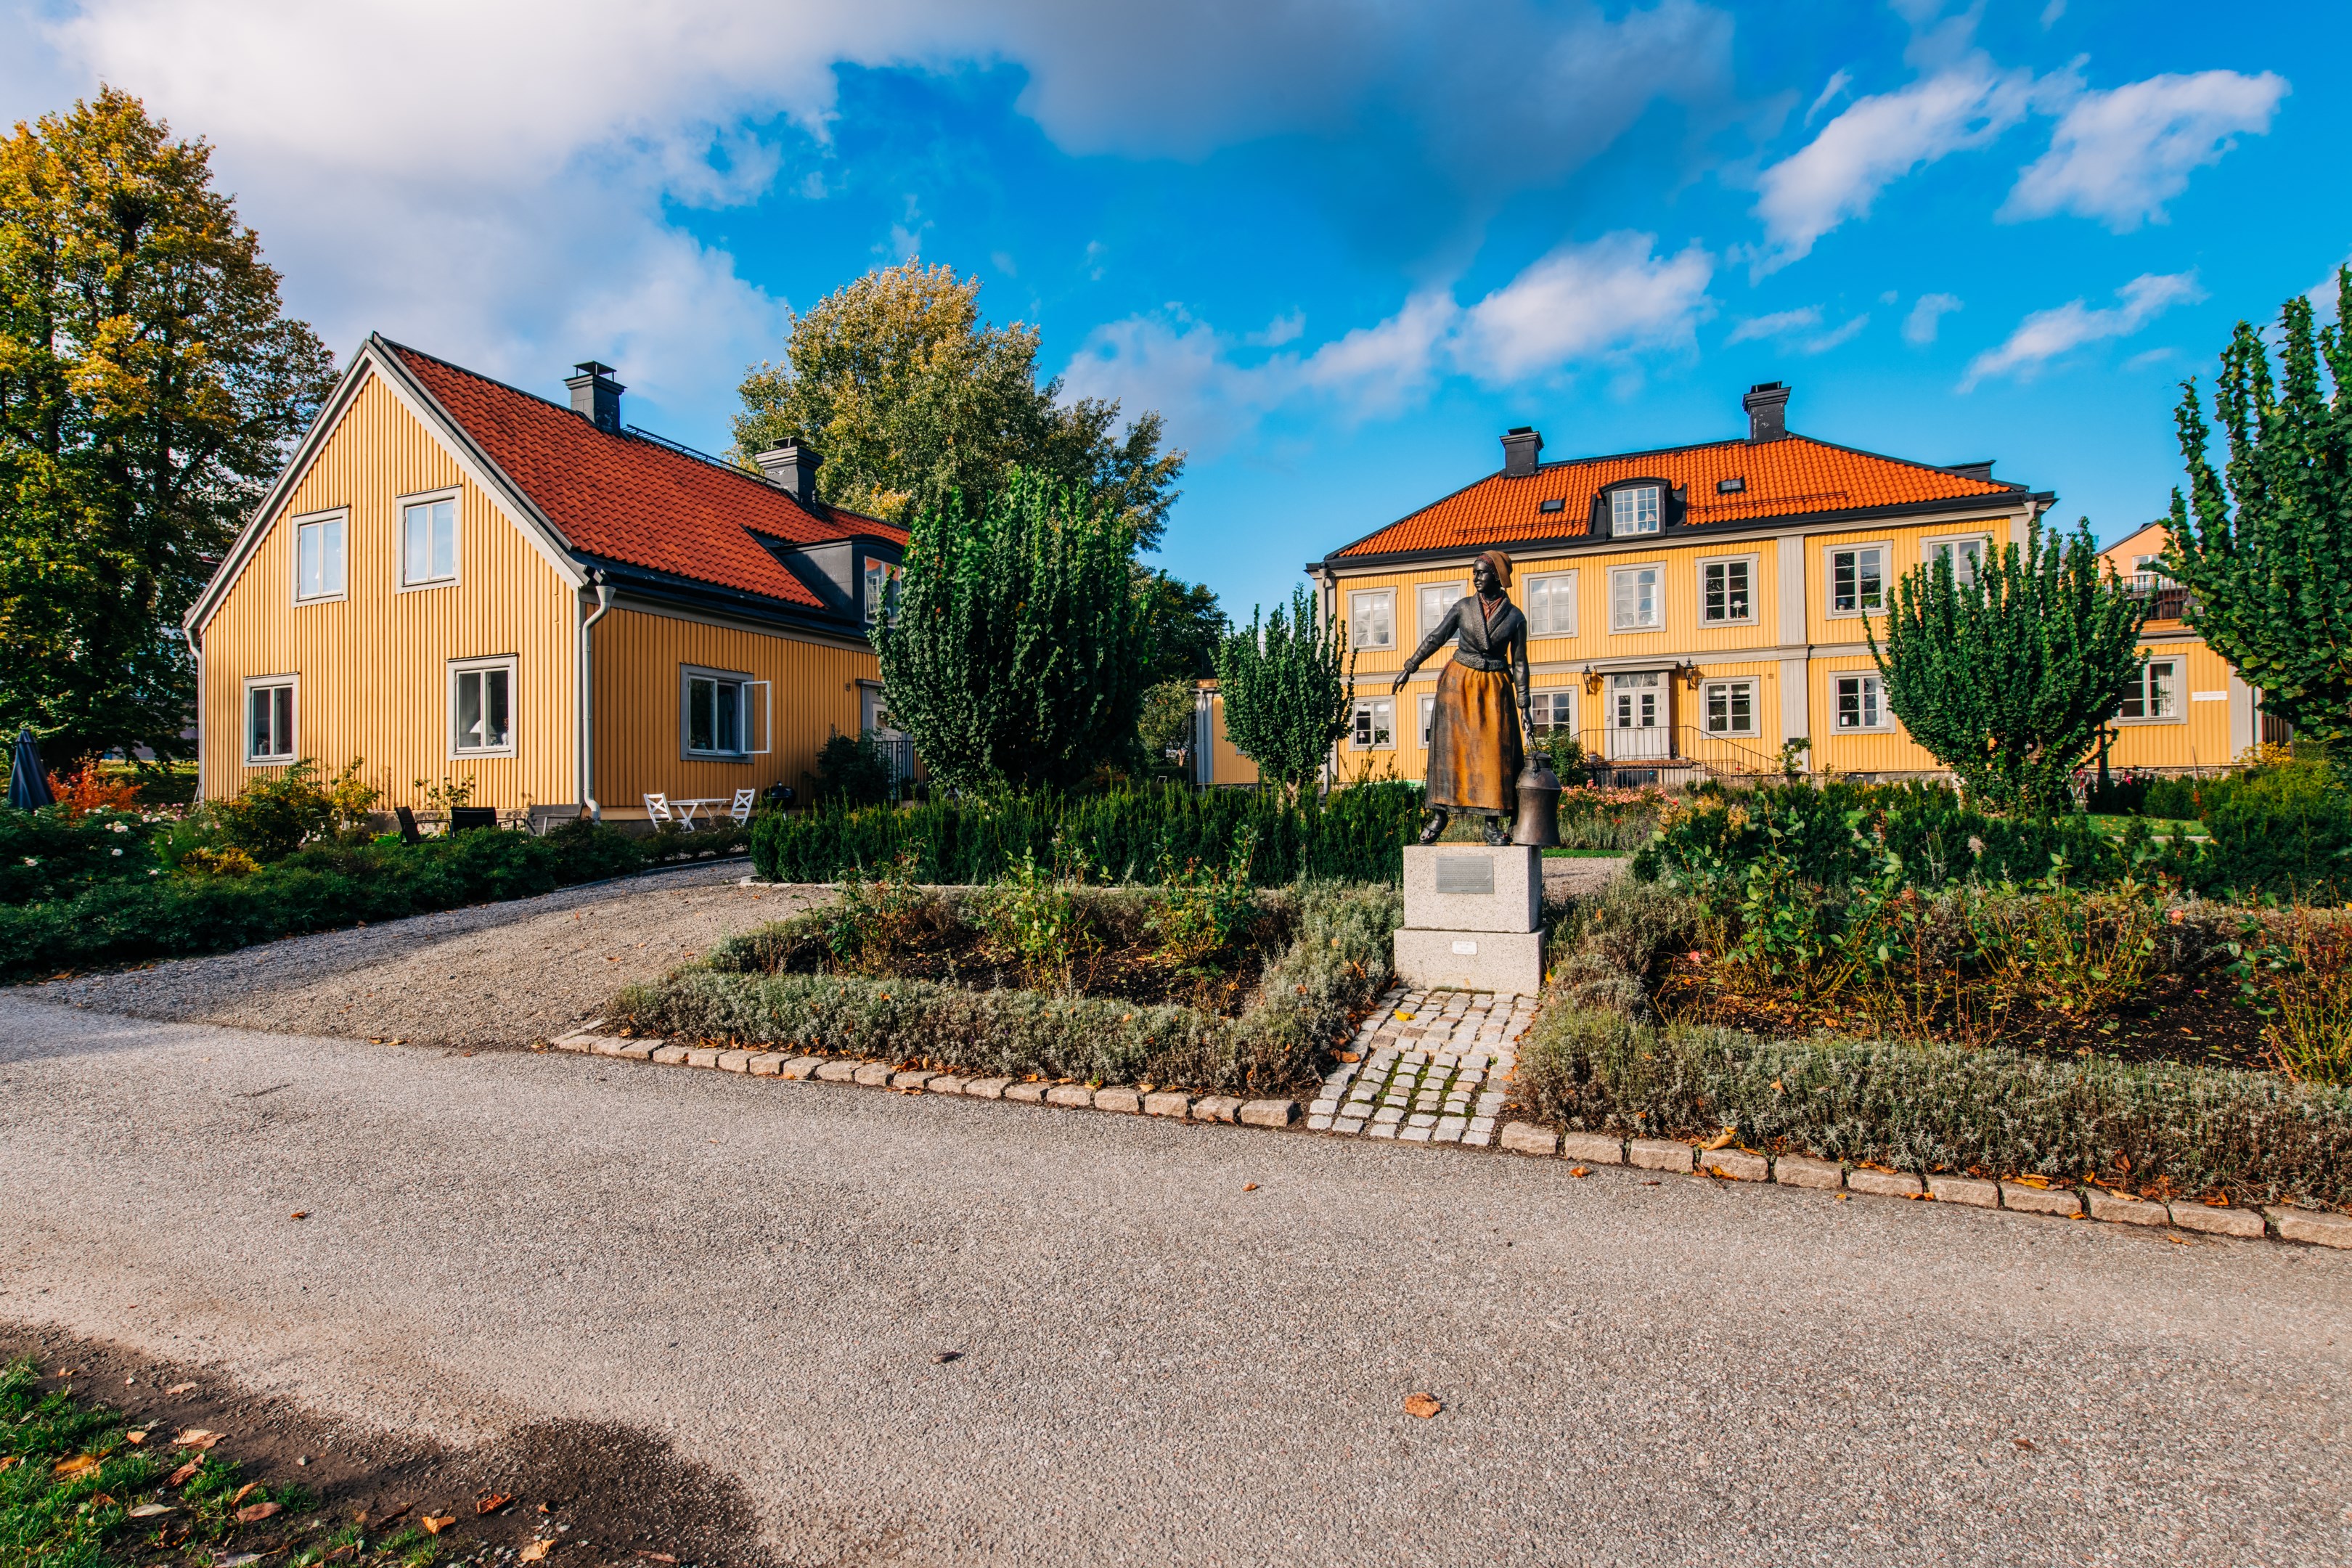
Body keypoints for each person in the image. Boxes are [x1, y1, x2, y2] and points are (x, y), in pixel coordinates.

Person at [1391, 550, 1530, 845]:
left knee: (1493, 755)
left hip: (1494, 687)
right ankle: (1439, 816)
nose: (1475, 577)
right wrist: (1409, 666)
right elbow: (1436, 637)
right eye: (1474, 572)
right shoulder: (1463, 607)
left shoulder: (1516, 617)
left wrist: (1524, 703)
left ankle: (1491, 824)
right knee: (1448, 751)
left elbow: (1520, 663)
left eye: (1481, 572)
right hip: (1458, 683)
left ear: (1497, 576)